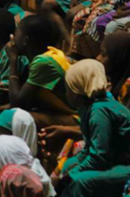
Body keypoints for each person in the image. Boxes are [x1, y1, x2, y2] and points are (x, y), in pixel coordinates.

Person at [56, 59, 130, 197]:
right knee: (68, 165)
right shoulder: (91, 106)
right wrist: (72, 167)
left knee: (80, 183)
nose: (66, 94)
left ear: (77, 93)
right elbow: (89, 148)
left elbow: (100, 157)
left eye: (68, 89)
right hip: (114, 161)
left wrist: (72, 174)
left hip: (125, 167)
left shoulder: (99, 111)